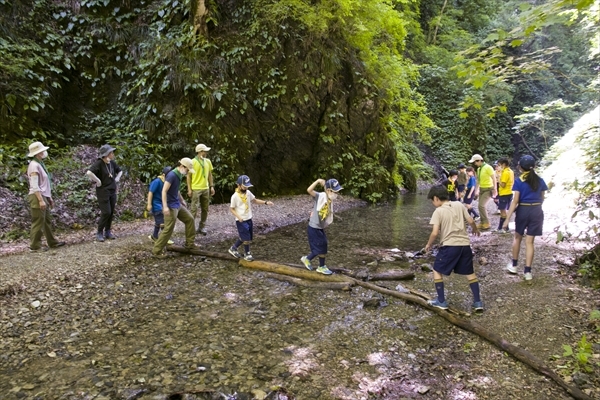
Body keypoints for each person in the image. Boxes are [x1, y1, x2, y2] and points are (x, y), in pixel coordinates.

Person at [424, 185, 483, 311]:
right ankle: (478, 302)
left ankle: (441, 301)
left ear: (436, 198)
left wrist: (429, 244)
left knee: (436, 270)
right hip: (465, 246)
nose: (433, 203)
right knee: (470, 273)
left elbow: (435, 233)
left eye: (432, 201)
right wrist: (475, 230)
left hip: (449, 246)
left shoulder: (438, 211)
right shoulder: (459, 205)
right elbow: (471, 220)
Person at [503, 155, 548, 281]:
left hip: (523, 209)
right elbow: (542, 197)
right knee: (530, 242)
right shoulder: (540, 180)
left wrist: (507, 218)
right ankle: (527, 271)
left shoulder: (519, 181)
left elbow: (515, 201)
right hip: (537, 210)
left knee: (517, 237)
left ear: (521, 167)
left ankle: (514, 265)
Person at [152, 158, 199, 258]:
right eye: (187, 170)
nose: (187, 172)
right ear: (182, 166)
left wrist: (182, 200)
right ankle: (157, 251)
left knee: (190, 219)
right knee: (168, 229)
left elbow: (176, 190)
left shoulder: (179, 175)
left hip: (177, 204)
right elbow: (164, 191)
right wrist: (165, 207)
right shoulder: (172, 175)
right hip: (170, 206)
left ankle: (189, 244)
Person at [26, 142, 66, 252]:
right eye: (42, 151)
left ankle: (52, 242)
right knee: (38, 221)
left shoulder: (40, 164)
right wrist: (40, 200)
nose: (44, 152)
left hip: (43, 195)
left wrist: (49, 198)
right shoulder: (34, 165)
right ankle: (35, 246)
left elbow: (44, 183)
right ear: (38, 153)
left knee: (47, 220)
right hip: (37, 196)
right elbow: (35, 185)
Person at [299, 178, 343, 275]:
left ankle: (321, 266)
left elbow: (326, 189)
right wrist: (318, 181)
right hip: (313, 227)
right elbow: (309, 190)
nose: (337, 194)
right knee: (318, 248)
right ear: (329, 191)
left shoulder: (329, 198)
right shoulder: (320, 196)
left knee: (323, 245)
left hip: (319, 227)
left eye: (338, 192)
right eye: (335, 192)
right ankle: (307, 259)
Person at [227, 175, 274, 261]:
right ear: (239, 185)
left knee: (245, 236)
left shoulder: (248, 193)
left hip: (249, 218)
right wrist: (238, 216)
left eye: (247, 187)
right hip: (241, 220)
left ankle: (233, 248)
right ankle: (247, 254)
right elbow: (231, 209)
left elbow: (255, 200)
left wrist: (266, 202)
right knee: (246, 238)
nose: (246, 189)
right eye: (244, 187)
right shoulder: (234, 196)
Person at [86, 144, 123, 242]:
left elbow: (120, 171)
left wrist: (117, 178)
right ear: (107, 154)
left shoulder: (112, 163)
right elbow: (89, 172)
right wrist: (97, 181)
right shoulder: (99, 163)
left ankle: (107, 231)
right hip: (103, 191)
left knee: (111, 213)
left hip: (112, 191)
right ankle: (99, 232)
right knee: (106, 212)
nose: (113, 154)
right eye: (111, 152)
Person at [187, 144, 215, 235]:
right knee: (194, 209)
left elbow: (210, 174)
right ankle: (190, 228)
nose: (206, 153)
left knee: (205, 209)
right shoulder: (192, 162)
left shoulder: (208, 161)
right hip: (196, 188)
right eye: (204, 151)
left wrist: (211, 186)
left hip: (205, 188)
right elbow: (188, 176)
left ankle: (202, 227)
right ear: (199, 151)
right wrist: (189, 189)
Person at [147, 166, 174, 245]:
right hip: (156, 205)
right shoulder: (157, 181)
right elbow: (150, 192)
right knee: (162, 223)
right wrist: (149, 204)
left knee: (159, 222)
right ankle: (165, 239)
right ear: (163, 175)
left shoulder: (168, 182)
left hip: (163, 204)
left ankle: (154, 236)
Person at [469, 154, 497, 230]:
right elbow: (479, 181)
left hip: (488, 189)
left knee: (482, 205)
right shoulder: (479, 169)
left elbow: (494, 178)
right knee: (479, 206)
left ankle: (487, 223)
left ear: (479, 161)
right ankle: (482, 222)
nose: (474, 164)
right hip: (482, 189)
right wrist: (476, 190)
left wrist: (495, 189)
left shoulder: (488, 167)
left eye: (475, 162)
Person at [495, 157, 514, 233]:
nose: (499, 166)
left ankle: (504, 228)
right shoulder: (510, 171)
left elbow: (503, 185)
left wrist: (498, 178)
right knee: (504, 210)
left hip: (504, 193)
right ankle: (501, 228)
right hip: (509, 192)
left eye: (499, 165)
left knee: (503, 211)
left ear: (504, 164)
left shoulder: (505, 172)